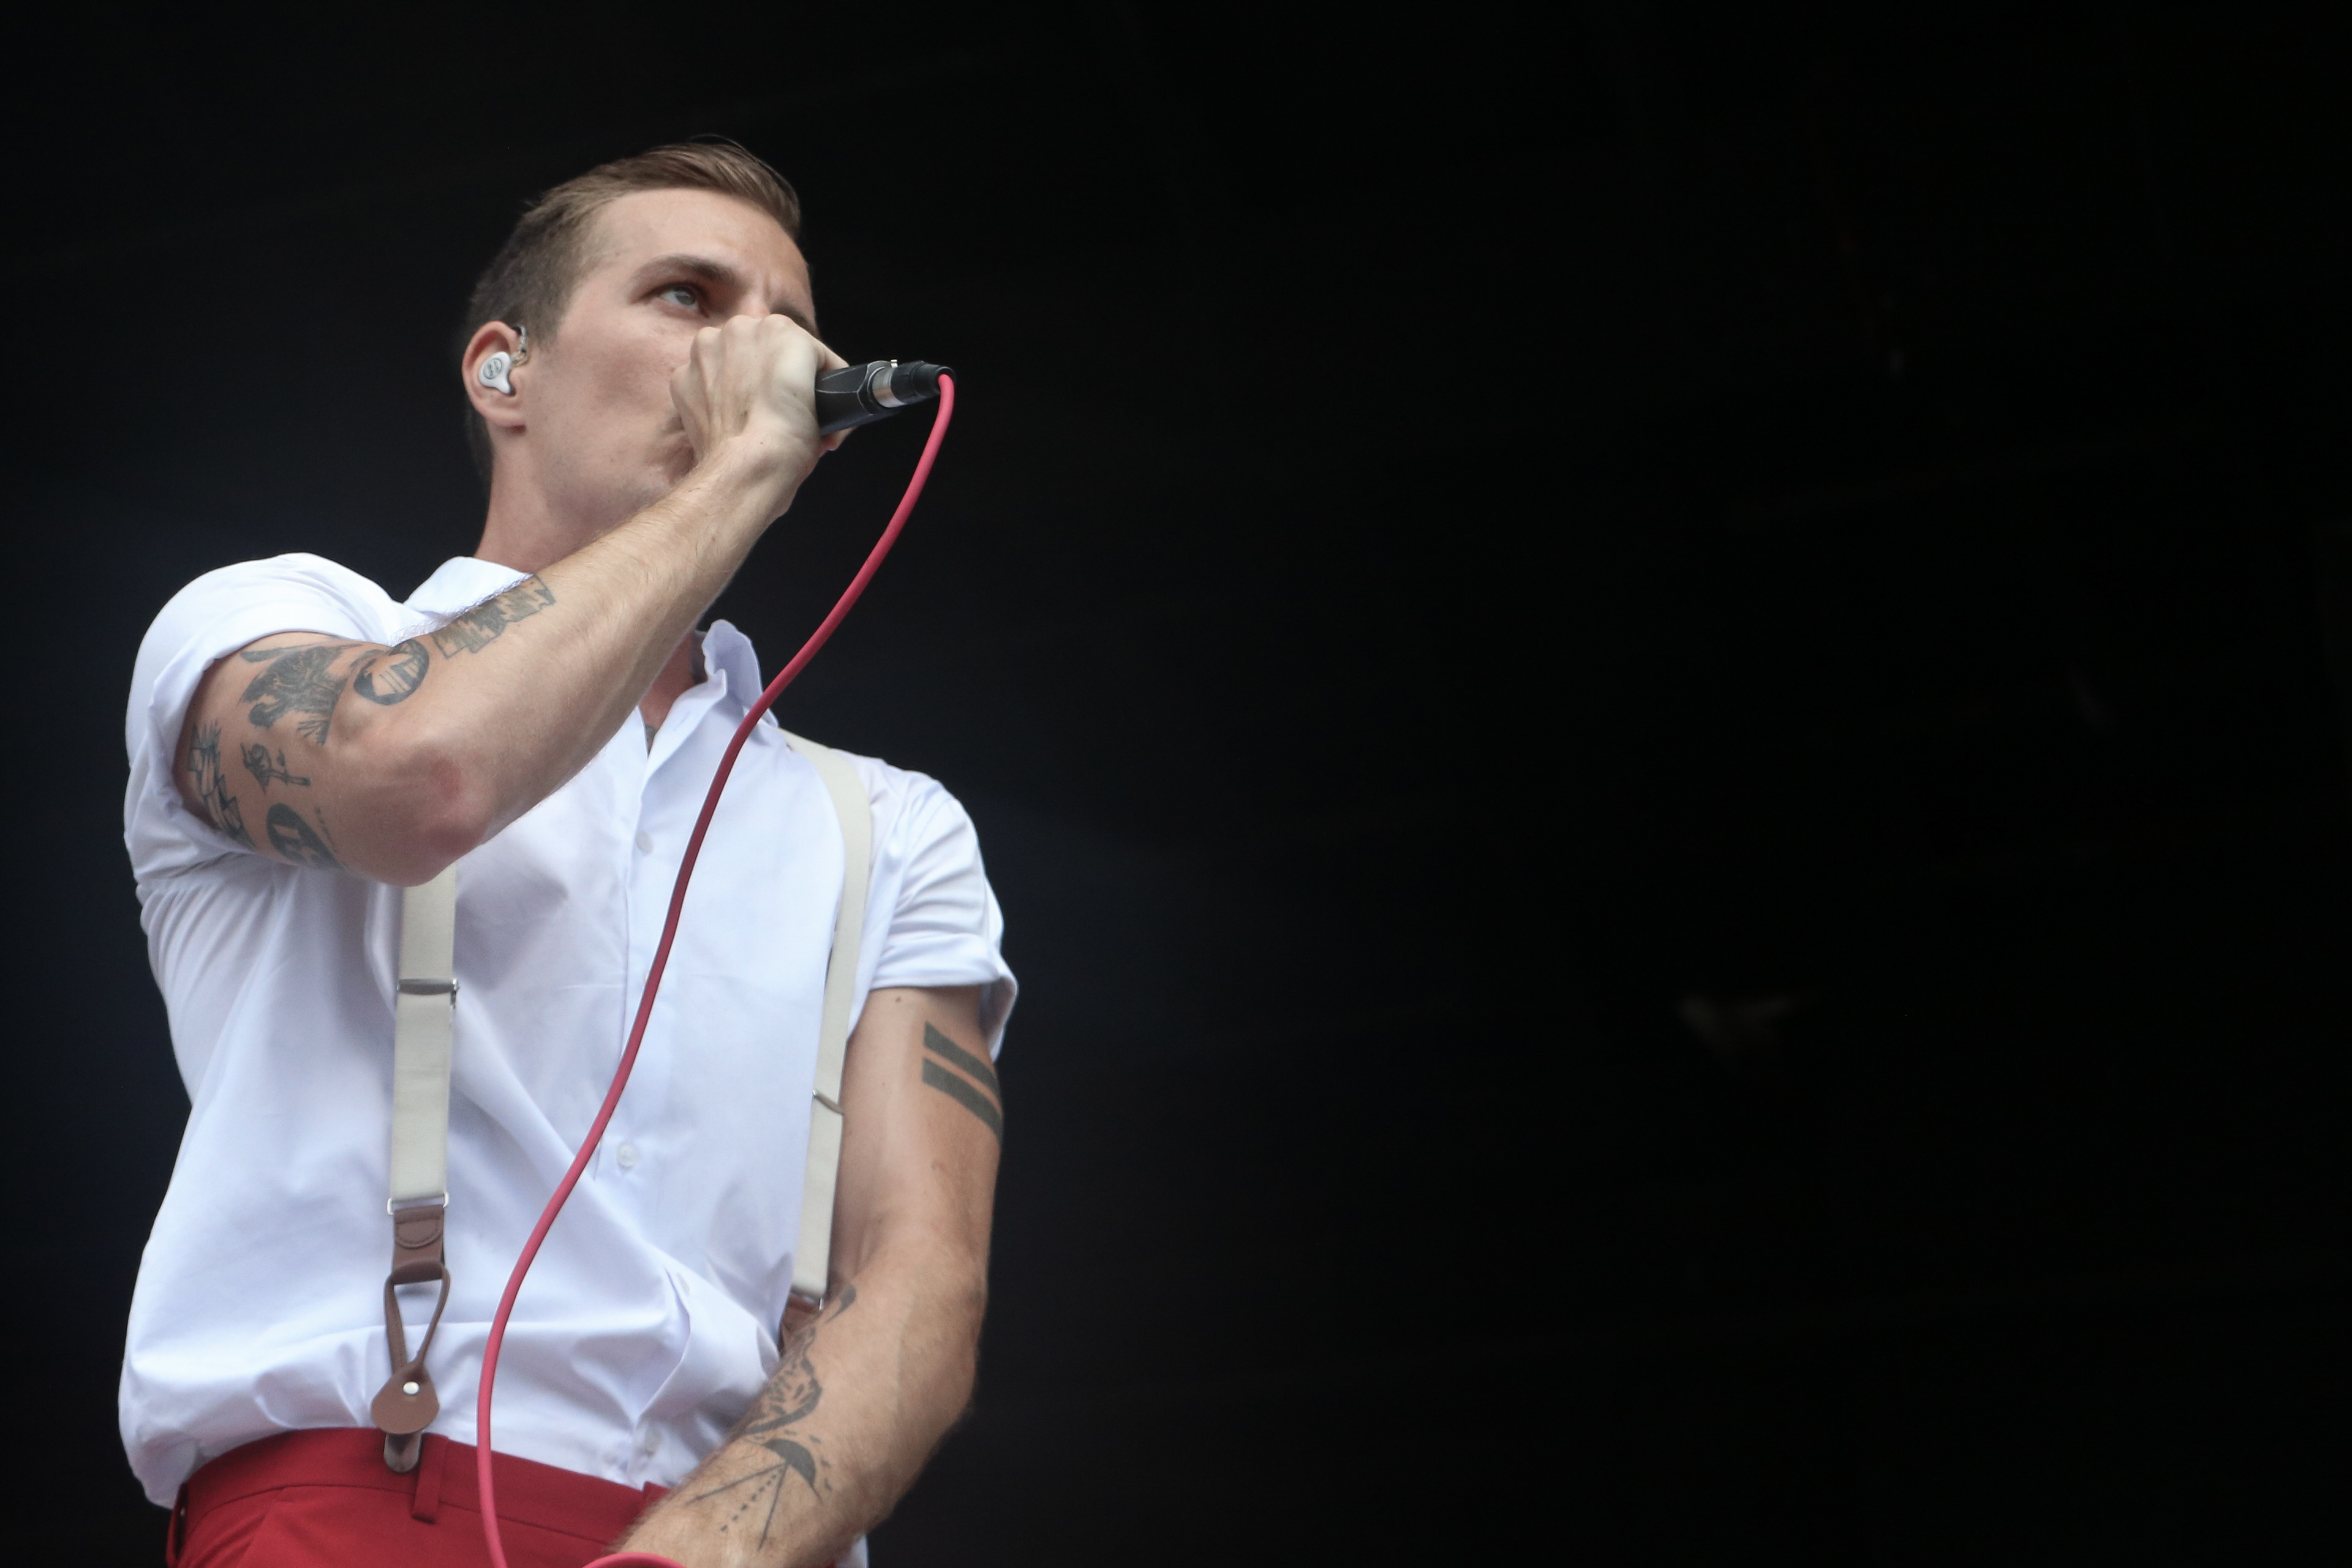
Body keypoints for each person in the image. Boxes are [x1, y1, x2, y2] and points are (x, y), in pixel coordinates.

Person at [118, 142, 1014, 1568]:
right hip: (356, 1502)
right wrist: (738, 471)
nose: (757, 352)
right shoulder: (276, 623)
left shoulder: (889, 827)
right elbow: (422, 778)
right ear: (504, 372)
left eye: (787, 324)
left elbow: (921, 1278)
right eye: (688, 296)